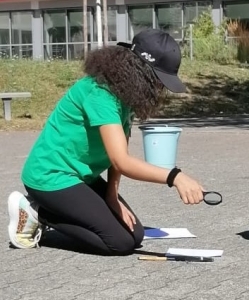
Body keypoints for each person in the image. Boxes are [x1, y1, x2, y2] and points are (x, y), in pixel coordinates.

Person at [6, 29, 205, 255]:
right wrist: (174, 177)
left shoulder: (126, 95)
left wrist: (112, 195)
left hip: (81, 177)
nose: (159, 88)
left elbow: (117, 154)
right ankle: (37, 211)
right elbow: (122, 161)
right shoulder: (100, 93)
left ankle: (54, 211)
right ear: (142, 71)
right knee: (119, 242)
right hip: (50, 177)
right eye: (158, 80)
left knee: (135, 234)